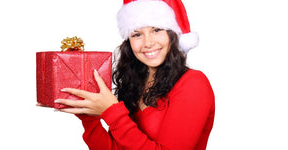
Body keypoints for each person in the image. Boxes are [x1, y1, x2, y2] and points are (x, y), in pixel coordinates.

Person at [46, 0, 215, 149]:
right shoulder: (135, 84)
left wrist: (112, 112)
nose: (148, 43)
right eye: (137, 34)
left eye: (156, 30)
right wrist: (89, 118)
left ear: (173, 35)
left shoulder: (193, 83)